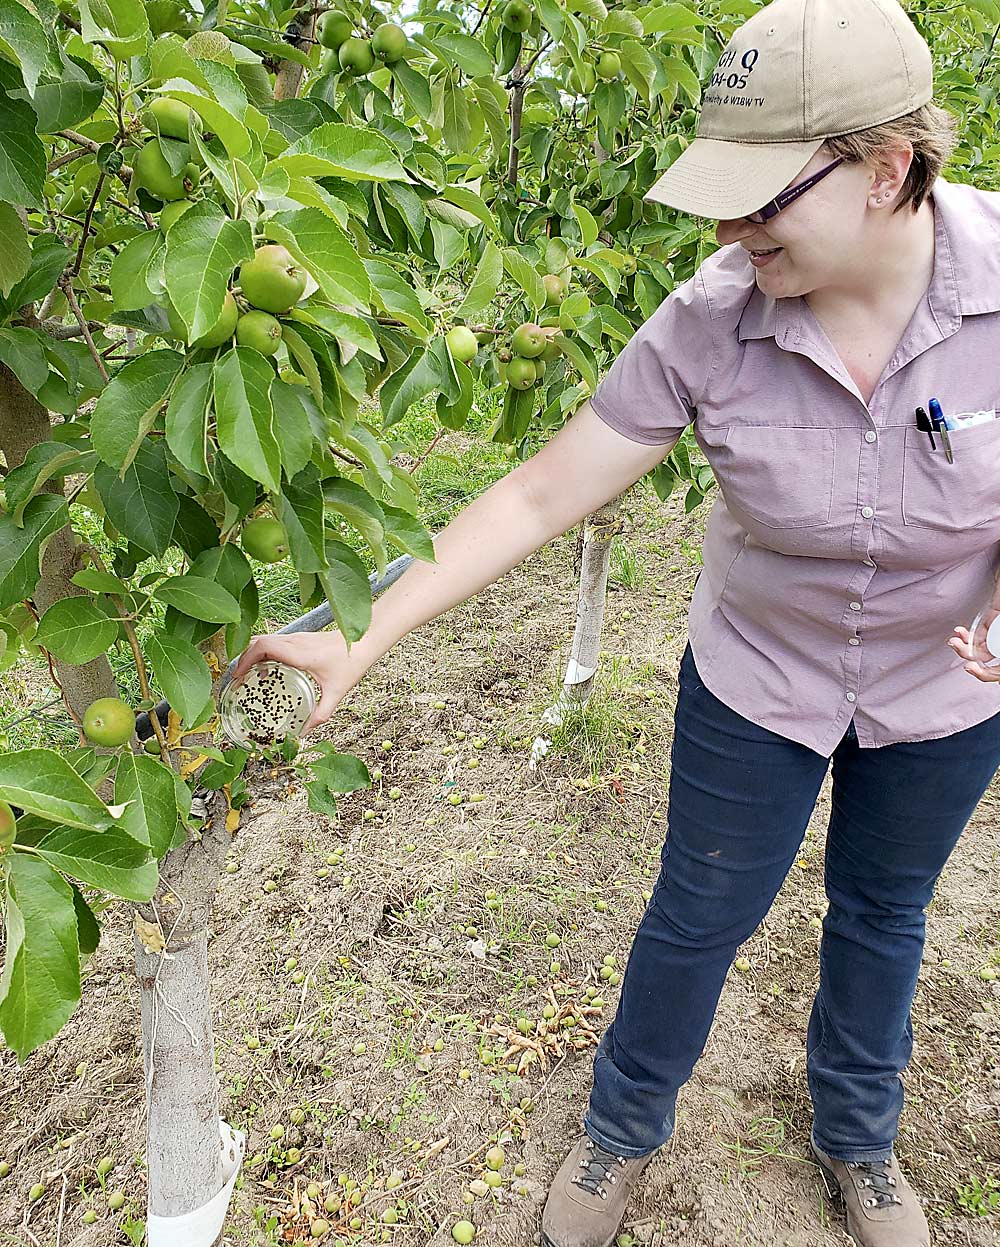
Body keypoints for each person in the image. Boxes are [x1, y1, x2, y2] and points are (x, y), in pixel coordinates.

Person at [233, 1, 1000, 1243]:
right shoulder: (711, 318)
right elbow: (541, 489)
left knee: (884, 909)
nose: (725, 226)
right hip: (762, 677)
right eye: (720, 195)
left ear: (887, 168)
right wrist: (357, 632)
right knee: (698, 908)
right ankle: (623, 1122)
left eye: (762, 197)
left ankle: (859, 1137)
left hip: (944, 687)